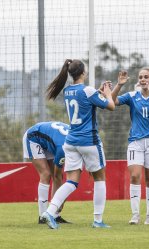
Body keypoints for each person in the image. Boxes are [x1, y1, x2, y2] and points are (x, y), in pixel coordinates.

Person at [42, 59, 115, 229]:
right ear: (83, 73)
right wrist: (108, 93)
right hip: (89, 141)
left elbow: (84, 99)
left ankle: (50, 212)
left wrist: (98, 92)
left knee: (72, 181)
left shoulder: (68, 90)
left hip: (71, 141)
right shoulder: (88, 90)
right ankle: (98, 220)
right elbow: (110, 106)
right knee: (99, 177)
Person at [111, 68, 149, 225]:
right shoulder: (132, 95)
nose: (143, 79)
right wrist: (119, 85)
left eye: (146, 77)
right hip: (135, 142)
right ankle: (135, 215)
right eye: (140, 77)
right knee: (135, 175)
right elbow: (113, 101)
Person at [23, 121, 71, 224]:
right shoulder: (62, 149)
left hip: (49, 140)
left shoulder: (75, 142)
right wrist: (59, 202)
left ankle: (55, 215)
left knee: (57, 176)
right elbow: (56, 175)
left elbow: (58, 177)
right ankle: (42, 216)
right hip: (33, 137)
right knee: (46, 174)